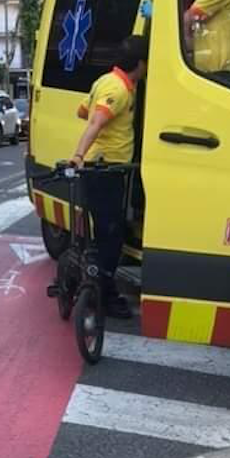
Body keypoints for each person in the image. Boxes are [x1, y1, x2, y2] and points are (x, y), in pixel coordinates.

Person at [69, 35, 148, 319]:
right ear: (140, 63)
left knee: (105, 232)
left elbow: (82, 110)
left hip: (103, 167)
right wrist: (78, 155)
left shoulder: (106, 81)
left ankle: (96, 284)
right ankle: (103, 294)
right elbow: (94, 122)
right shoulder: (118, 89)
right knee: (110, 235)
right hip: (105, 169)